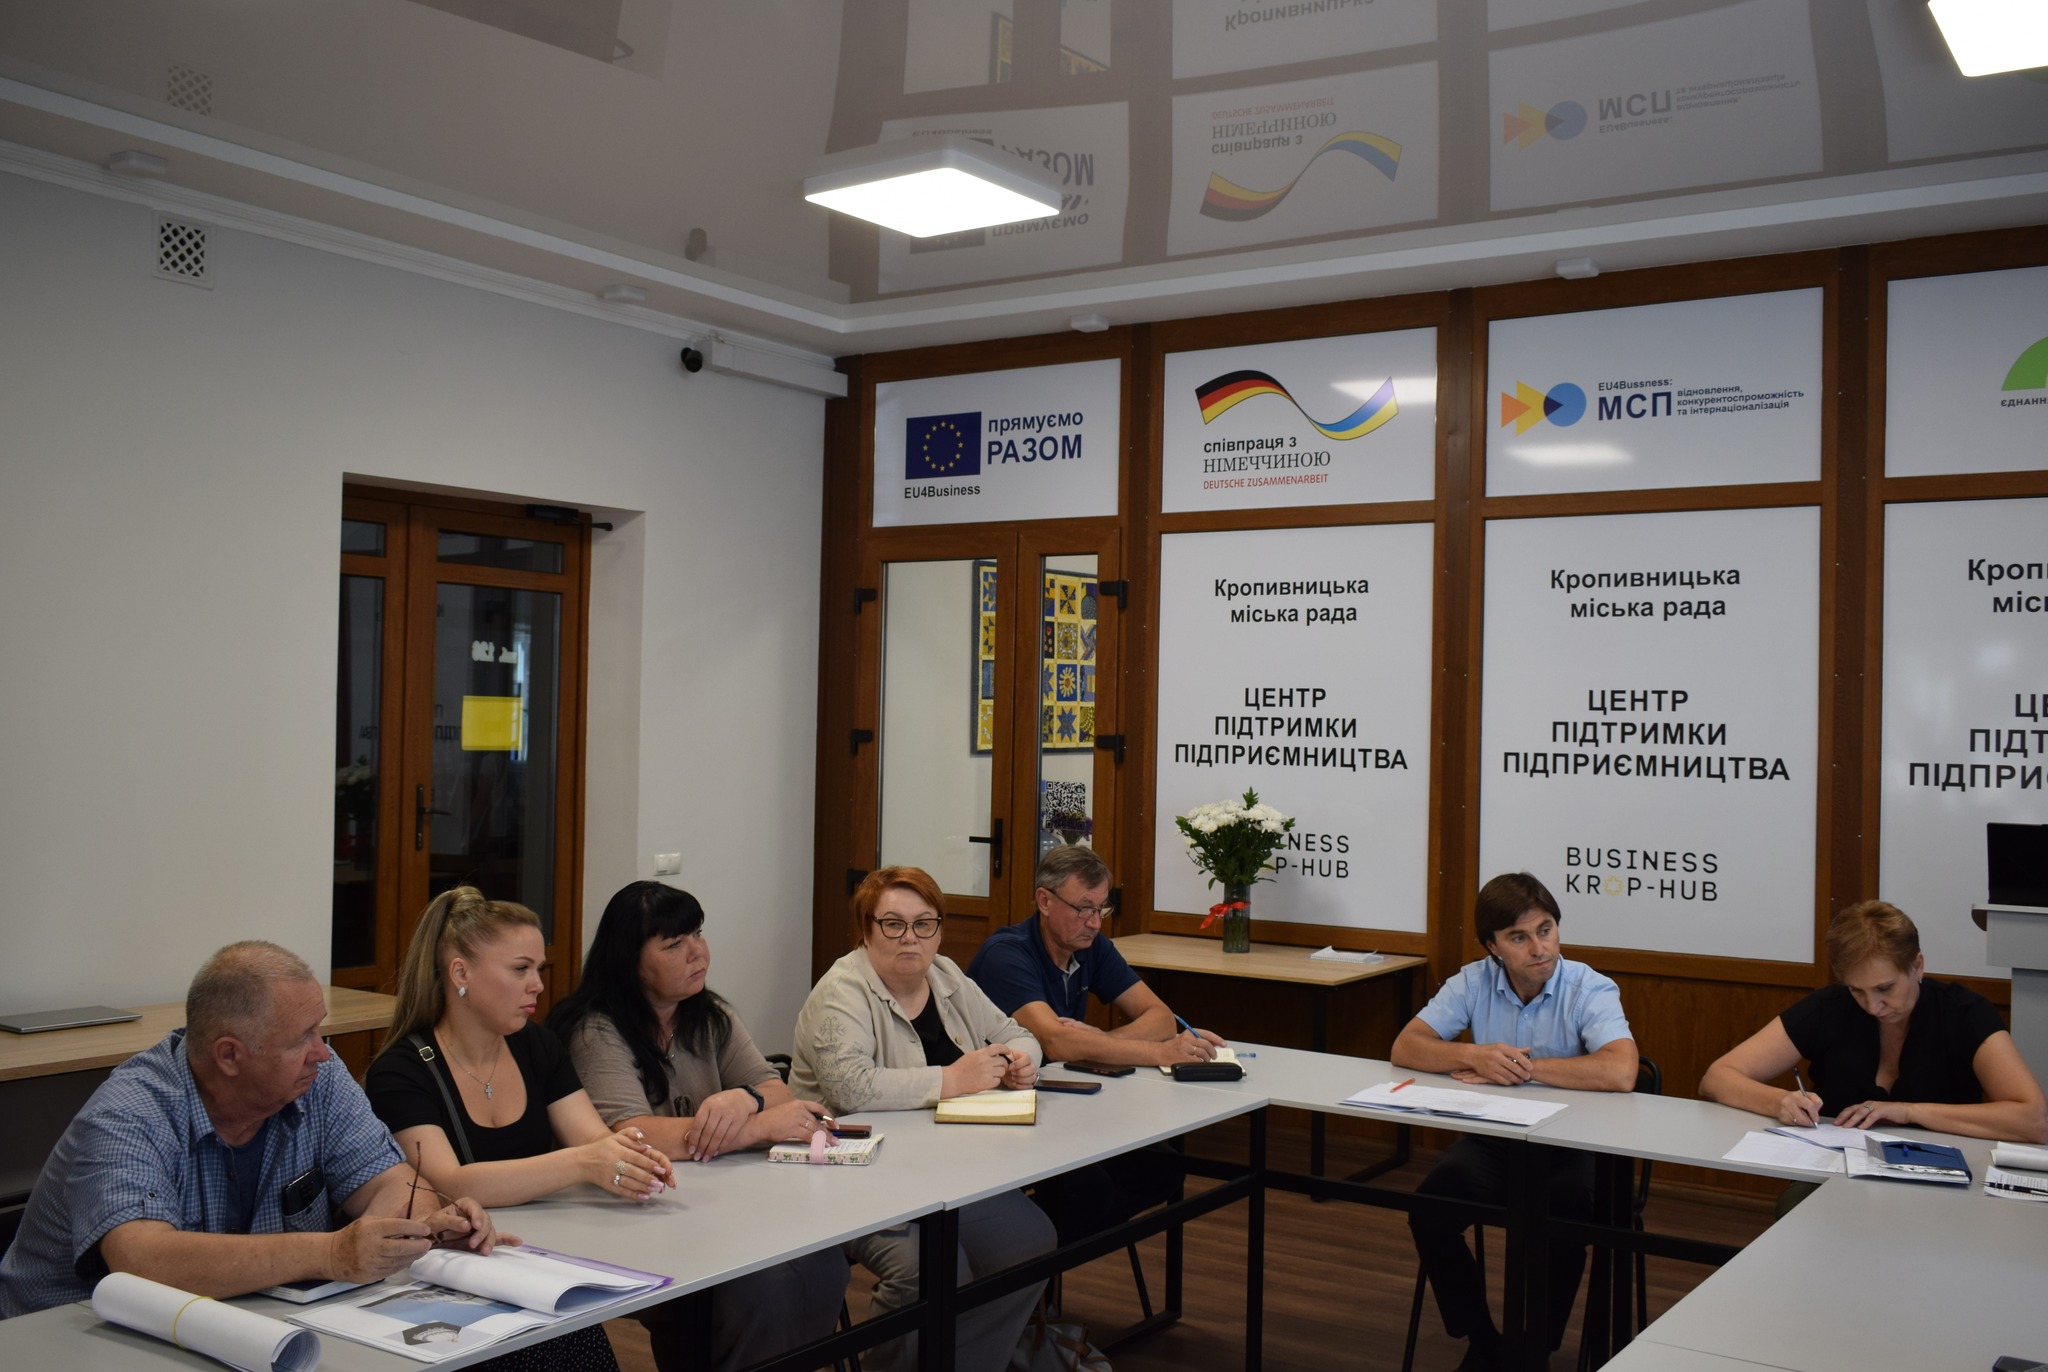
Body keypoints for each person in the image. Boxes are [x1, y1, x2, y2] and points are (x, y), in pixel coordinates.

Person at [0, 941, 501, 1319]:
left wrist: (417, 1229)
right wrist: (334, 1253)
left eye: (319, 1029)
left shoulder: (318, 1078)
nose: (322, 1052)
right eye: (301, 1038)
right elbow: (142, 1260)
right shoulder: (129, 1113)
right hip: (67, 1335)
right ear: (229, 1055)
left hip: (233, 1320)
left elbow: (393, 1183)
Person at [366, 888, 677, 1372]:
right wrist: (584, 1163)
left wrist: (629, 1155)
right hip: (450, 1278)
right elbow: (450, 1182)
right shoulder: (402, 1070)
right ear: (461, 974)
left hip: (538, 1263)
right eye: (520, 969)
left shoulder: (537, 1046)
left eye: (539, 969)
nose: (537, 986)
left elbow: (591, 1138)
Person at [549, 881, 850, 1372]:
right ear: (630, 961)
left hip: (720, 1203)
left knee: (823, 1266)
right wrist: (753, 1128)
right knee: (763, 1288)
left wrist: (745, 1098)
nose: (698, 952)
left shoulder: (709, 1015)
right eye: (674, 944)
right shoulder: (595, 1030)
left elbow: (777, 1092)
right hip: (636, 1215)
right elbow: (632, 1133)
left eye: (698, 934)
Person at [790, 866, 1056, 1372]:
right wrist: (951, 1079)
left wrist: (1023, 1061)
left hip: (944, 1168)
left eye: (924, 924)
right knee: (936, 1270)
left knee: (1029, 1243)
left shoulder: (946, 975)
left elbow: (1016, 1033)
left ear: (939, 930)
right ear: (866, 930)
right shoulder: (842, 991)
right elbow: (851, 1088)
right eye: (893, 924)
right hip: (853, 1175)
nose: (910, 937)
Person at [1390, 873, 1637, 1372]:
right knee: (1429, 1210)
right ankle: (1483, 1338)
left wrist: (1523, 1069)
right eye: (1519, 938)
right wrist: (1474, 1055)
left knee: (1562, 1215)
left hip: (1574, 1144)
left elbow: (1621, 1070)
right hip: (1497, 1141)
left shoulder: (1588, 986)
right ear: (1493, 947)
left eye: (1546, 930)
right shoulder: (1472, 981)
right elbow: (1405, 1046)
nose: (1539, 949)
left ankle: (1532, 1350)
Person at [966, 843, 1212, 1242]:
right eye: (1083, 908)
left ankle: (1050, 1252)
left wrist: (1100, 1040)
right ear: (1044, 901)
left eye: (1101, 908)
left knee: (1162, 1169)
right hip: (1003, 1110)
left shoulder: (1091, 946)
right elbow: (1055, 1043)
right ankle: (1029, 1261)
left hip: (1067, 1103)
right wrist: (1161, 1052)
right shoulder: (1006, 954)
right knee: (1088, 1189)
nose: (1095, 922)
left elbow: (1161, 1017)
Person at [1702, 899, 2048, 1143]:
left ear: (1917, 966)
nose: (1873, 1006)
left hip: (1941, 1175)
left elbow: (2034, 1120)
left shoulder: (1964, 1012)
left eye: (1885, 988)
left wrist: (1909, 1112)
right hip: (1836, 1173)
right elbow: (1717, 1078)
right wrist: (1779, 1101)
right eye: (1857, 990)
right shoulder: (1830, 1007)